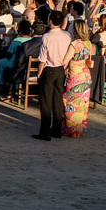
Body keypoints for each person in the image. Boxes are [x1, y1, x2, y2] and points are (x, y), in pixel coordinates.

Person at [33, 11, 70, 141]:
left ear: (51, 21)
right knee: (57, 100)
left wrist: (39, 73)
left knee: (46, 102)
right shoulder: (66, 36)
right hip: (61, 69)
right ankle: (57, 129)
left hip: (49, 69)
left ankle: (45, 131)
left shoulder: (46, 37)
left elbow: (43, 58)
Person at [62, 19, 93, 138]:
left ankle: (70, 129)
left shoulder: (74, 45)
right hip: (85, 75)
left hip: (74, 76)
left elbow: (65, 61)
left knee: (69, 102)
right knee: (82, 105)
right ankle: (78, 130)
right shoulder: (88, 43)